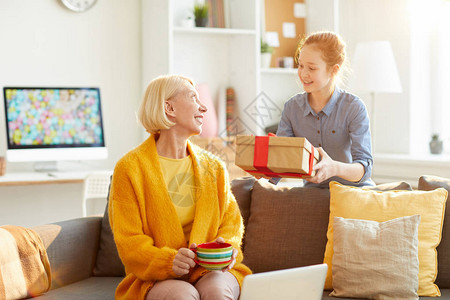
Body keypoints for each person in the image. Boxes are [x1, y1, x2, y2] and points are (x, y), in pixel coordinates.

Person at [108, 74, 251, 300]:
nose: (203, 107)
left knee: (216, 291)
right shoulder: (130, 168)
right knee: (182, 295)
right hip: (155, 277)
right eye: (194, 98)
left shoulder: (214, 167)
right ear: (169, 108)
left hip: (211, 271)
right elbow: (129, 241)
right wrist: (168, 261)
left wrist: (228, 248)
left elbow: (231, 224)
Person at [276, 31, 374, 188]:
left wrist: (334, 168)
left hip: (354, 194)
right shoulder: (292, 108)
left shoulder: (353, 107)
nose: (303, 74)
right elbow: (282, 160)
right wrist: (265, 172)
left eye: (312, 68)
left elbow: (365, 168)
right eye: (300, 65)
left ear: (334, 70)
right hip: (312, 196)